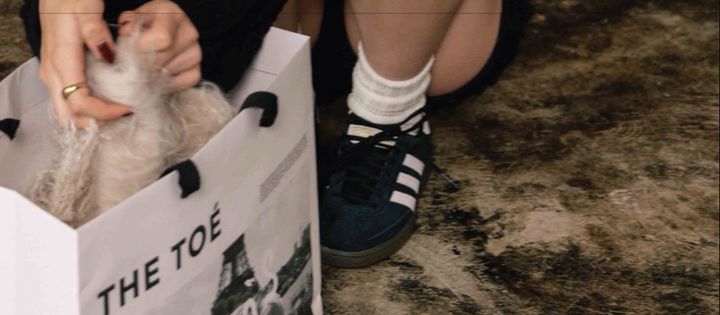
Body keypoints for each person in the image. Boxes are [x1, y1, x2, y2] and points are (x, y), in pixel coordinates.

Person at [21, 0, 530, 267]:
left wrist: (204, 13)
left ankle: (388, 112)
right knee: (119, 55)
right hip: (269, 26)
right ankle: (273, 115)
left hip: (409, 27)